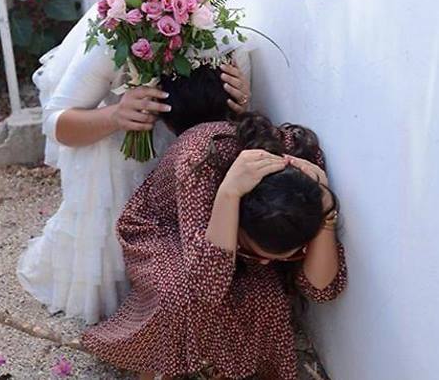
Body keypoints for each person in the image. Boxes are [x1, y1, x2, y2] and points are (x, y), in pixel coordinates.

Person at [81, 69, 347, 380]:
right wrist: (229, 192)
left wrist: (325, 209)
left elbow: (322, 288)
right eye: (259, 254)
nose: (264, 263)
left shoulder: (302, 181)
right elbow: (208, 285)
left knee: (266, 300)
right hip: (167, 227)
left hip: (227, 234)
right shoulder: (199, 159)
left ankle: (227, 367)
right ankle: (158, 366)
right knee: (178, 295)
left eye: (286, 257)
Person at [17, 4, 252, 325]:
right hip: (117, 143)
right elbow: (56, 124)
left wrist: (242, 104)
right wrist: (115, 115)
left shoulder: (226, 52)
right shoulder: (113, 44)